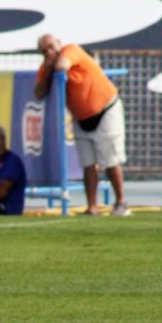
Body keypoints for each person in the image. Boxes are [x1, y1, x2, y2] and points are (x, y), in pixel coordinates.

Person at [34, 34, 130, 216]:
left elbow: (62, 66)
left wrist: (52, 65)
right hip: (81, 117)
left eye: (51, 47)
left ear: (58, 43)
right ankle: (92, 206)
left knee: (110, 159)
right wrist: (47, 71)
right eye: (44, 51)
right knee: (88, 163)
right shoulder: (46, 67)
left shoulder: (71, 50)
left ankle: (121, 202)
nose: (49, 52)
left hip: (105, 108)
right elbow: (39, 92)